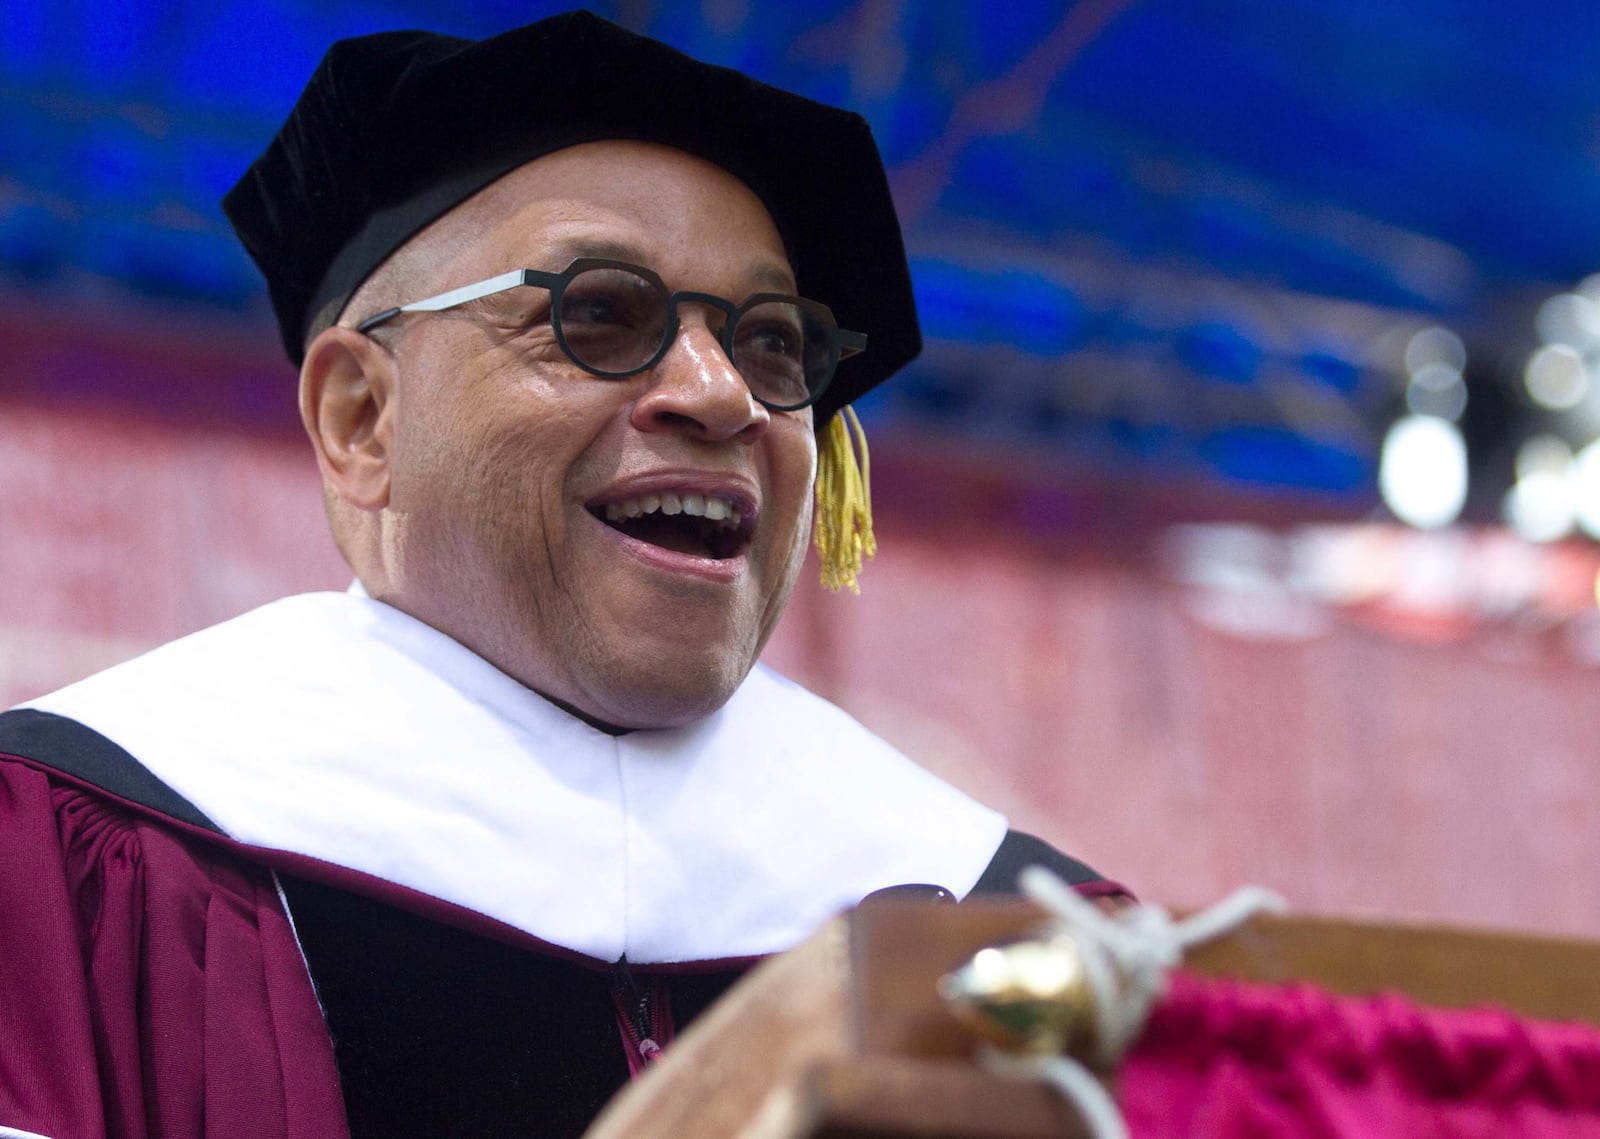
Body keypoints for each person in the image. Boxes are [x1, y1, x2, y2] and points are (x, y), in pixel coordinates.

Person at [0, 12, 1124, 1139]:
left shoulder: (1018, 928)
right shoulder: (68, 857)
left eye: (773, 341)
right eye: (598, 313)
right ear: (362, 416)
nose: (723, 392)